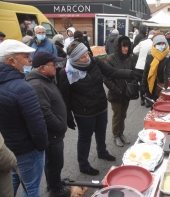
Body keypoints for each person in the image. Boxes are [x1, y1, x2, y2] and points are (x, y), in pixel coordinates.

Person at [59, 41, 142, 175]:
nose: (87, 58)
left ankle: (102, 151)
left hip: (101, 105)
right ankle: (83, 164)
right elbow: (65, 96)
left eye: (87, 54)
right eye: (82, 57)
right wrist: (67, 115)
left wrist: (130, 73)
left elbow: (112, 72)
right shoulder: (67, 73)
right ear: (74, 59)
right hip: (84, 111)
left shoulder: (94, 62)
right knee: (85, 137)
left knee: (101, 131)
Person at [0, 39, 48, 197]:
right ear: (11, 61)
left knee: (12, 177)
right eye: (26, 56)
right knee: (31, 187)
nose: (30, 60)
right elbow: (36, 124)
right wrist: (42, 146)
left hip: (7, 148)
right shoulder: (22, 88)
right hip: (26, 149)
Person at [25, 51, 69, 197]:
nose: (57, 67)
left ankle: (53, 184)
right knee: (55, 164)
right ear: (42, 68)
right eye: (53, 64)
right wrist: (60, 126)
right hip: (52, 135)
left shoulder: (44, 79)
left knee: (53, 164)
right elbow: (44, 113)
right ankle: (56, 189)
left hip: (54, 134)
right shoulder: (37, 84)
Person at [103, 35, 137, 147]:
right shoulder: (110, 59)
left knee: (123, 115)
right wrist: (116, 89)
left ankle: (121, 133)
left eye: (127, 46)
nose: (126, 49)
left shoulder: (130, 58)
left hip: (127, 93)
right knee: (117, 116)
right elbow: (106, 78)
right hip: (116, 93)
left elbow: (132, 73)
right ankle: (116, 135)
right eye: (123, 46)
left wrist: (133, 83)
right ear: (118, 46)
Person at [142, 33, 170, 108]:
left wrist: (168, 89)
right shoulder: (150, 53)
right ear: (154, 44)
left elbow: (169, 73)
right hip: (152, 85)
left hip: (163, 86)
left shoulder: (169, 54)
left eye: (163, 43)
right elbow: (146, 70)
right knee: (153, 108)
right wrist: (143, 85)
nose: (161, 45)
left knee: (162, 107)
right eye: (159, 43)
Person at [133, 30, 155, 106]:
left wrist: (139, 56)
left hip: (139, 65)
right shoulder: (154, 44)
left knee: (141, 83)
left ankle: (142, 99)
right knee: (148, 82)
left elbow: (134, 51)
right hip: (149, 66)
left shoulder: (142, 42)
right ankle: (148, 100)